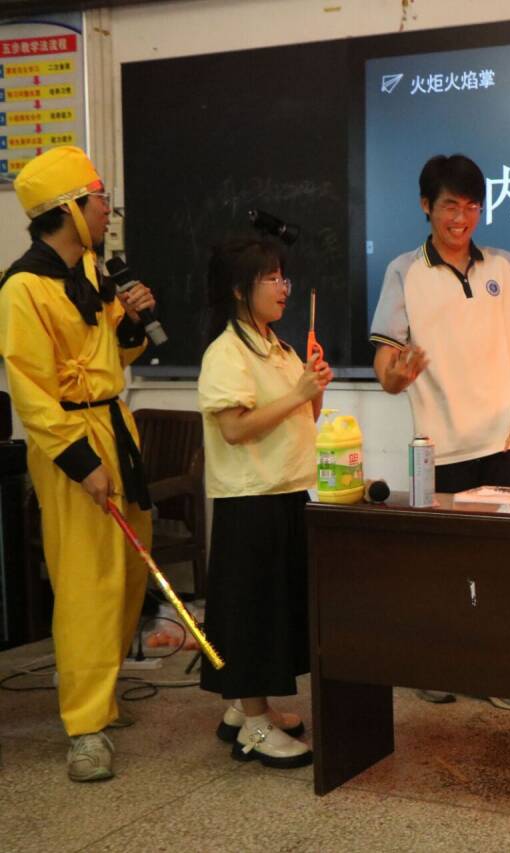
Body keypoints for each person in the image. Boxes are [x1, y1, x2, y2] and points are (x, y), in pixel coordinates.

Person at [0, 146, 157, 781]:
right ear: (68, 209)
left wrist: (134, 322)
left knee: (130, 568)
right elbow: (31, 392)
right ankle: (84, 728)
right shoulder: (23, 288)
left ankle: (104, 694)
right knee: (89, 581)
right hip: (71, 440)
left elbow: (116, 354)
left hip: (115, 424)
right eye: (99, 201)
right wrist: (81, 460)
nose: (106, 212)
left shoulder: (91, 269)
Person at [370, 153, 510, 711]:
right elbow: (386, 368)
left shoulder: (504, 267)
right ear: (426, 206)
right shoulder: (404, 272)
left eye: (471, 206)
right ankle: (440, 665)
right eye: (449, 206)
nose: (461, 218)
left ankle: (504, 670)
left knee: (508, 563)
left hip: (507, 442)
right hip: (441, 448)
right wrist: (398, 376)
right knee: (444, 564)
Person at [197, 236, 332, 768]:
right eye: (271, 279)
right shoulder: (226, 352)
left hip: (286, 489)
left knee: (274, 610)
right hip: (249, 499)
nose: (283, 288)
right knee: (250, 613)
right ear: (239, 289)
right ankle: (253, 726)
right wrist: (298, 392)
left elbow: (304, 417)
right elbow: (233, 429)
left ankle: (248, 708)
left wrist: (314, 386)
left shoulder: (279, 346)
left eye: (283, 277)